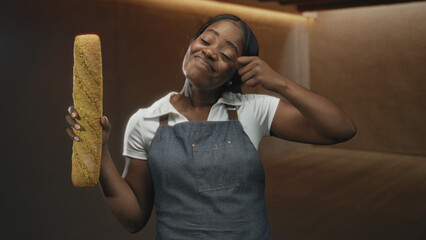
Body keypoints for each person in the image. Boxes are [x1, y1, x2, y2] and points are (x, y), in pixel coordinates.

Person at [65, 14, 356, 239]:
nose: (210, 51)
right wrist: (99, 150)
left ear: (235, 74)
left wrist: (278, 82)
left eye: (227, 53)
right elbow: (133, 218)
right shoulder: (146, 120)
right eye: (206, 40)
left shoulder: (252, 109)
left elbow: (341, 128)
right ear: (190, 46)